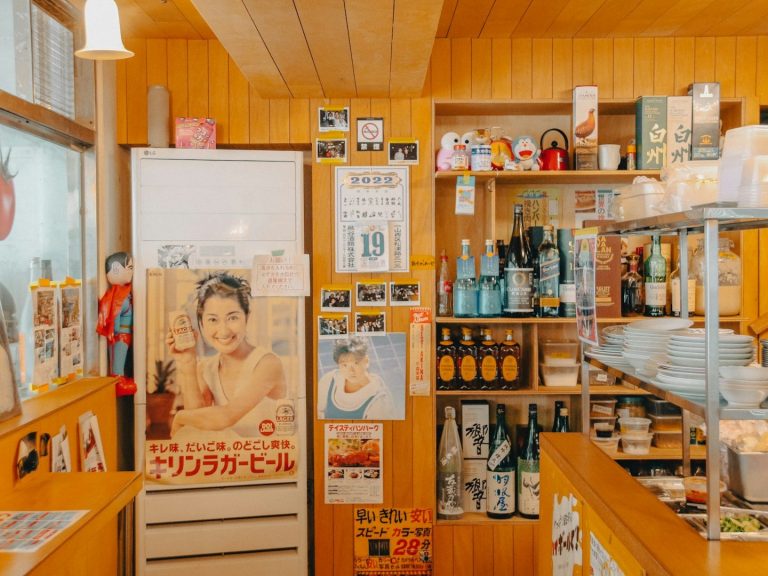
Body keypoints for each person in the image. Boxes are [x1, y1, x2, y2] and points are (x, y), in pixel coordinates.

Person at [167, 272, 286, 437]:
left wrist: (180, 417)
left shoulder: (267, 364)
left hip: (270, 458)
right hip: (229, 459)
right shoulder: (206, 368)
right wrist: (188, 363)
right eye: (213, 320)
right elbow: (198, 427)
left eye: (232, 318)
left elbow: (227, 416)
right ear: (201, 323)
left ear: (247, 317)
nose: (223, 331)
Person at [318, 336, 395, 420]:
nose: (351, 371)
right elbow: (317, 411)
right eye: (344, 365)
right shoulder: (330, 380)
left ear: (366, 361)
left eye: (356, 363)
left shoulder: (378, 401)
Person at [97, 252, 135, 394]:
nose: (131, 271)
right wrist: (116, 332)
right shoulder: (119, 297)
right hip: (120, 335)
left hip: (124, 335)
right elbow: (115, 314)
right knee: (118, 360)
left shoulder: (124, 293)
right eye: (129, 267)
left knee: (121, 358)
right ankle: (118, 382)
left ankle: (121, 379)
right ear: (116, 268)